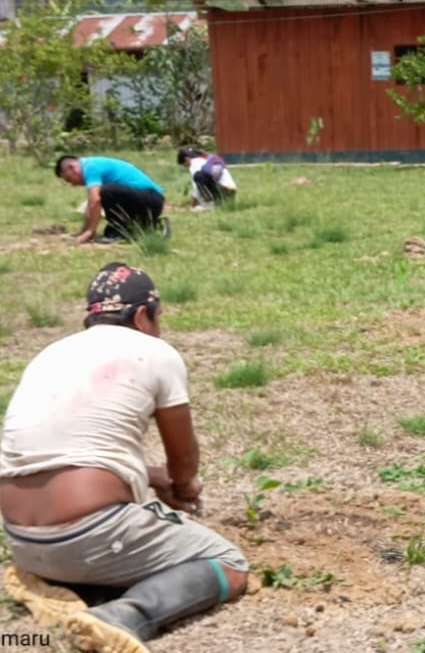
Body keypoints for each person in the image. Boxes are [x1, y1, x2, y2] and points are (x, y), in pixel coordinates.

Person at [0, 263, 248, 651]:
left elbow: (64, 452)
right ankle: (124, 615)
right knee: (228, 562)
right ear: (141, 314)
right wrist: (184, 487)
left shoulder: (50, 354)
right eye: (158, 317)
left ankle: (59, 578)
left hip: (22, 539)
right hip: (87, 535)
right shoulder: (155, 351)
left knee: (98, 540)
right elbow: (183, 463)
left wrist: (150, 476)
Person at [55, 155, 169, 244]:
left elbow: (95, 201)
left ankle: (118, 233)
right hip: (146, 201)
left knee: (107, 190)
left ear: (72, 167)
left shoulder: (91, 167)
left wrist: (89, 233)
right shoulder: (90, 165)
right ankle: (149, 225)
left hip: (151, 199)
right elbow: (91, 204)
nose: (73, 184)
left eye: (69, 179)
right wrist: (83, 231)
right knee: (106, 193)